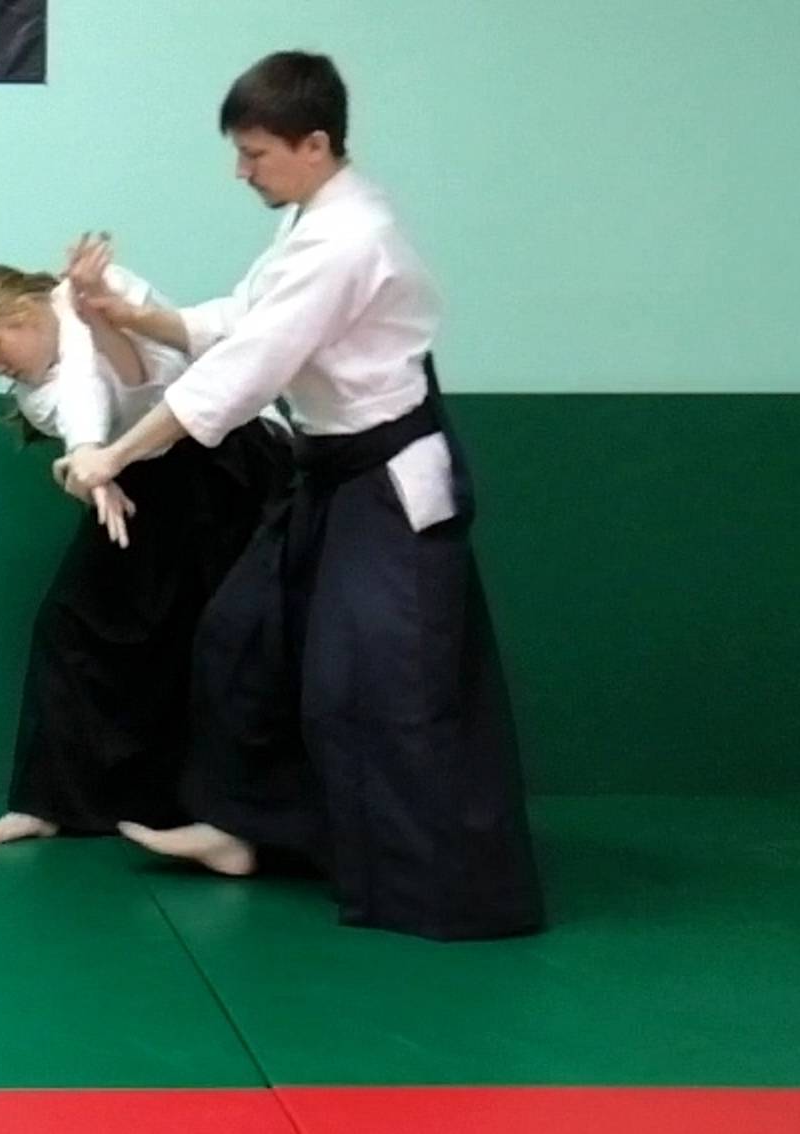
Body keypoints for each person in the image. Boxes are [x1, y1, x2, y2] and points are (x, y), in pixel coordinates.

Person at [56, 51, 544, 940]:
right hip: (325, 472)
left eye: (255, 154)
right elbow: (238, 319)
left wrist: (113, 454)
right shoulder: (312, 220)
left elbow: (246, 370)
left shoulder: (351, 239)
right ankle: (240, 825)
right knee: (242, 633)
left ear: (314, 144)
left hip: (385, 479)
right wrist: (128, 316)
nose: (241, 172)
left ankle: (440, 886)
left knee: (383, 680)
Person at [0, 257, 290, 846]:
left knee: (225, 632)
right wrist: (91, 460)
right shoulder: (35, 395)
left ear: (19, 311)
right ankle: (47, 801)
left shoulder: (106, 288)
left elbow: (162, 376)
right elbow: (84, 393)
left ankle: (229, 819)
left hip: (227, 459)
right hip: (140, 475)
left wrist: (96, 320)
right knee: (72, 624)